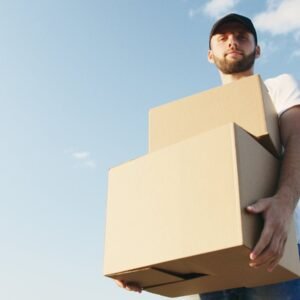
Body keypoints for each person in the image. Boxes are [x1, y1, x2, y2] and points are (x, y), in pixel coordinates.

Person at [114, 13, 300, 299]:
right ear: (210, 55)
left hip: (270, 252)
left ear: (258, 49)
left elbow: (297, 139)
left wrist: (285, 204)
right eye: (223, 38)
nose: (233, 42)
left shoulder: (277, 87)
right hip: (210, 268)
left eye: (242, 37)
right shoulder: (198, 116)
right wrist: (142, 260)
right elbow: (172, 186)